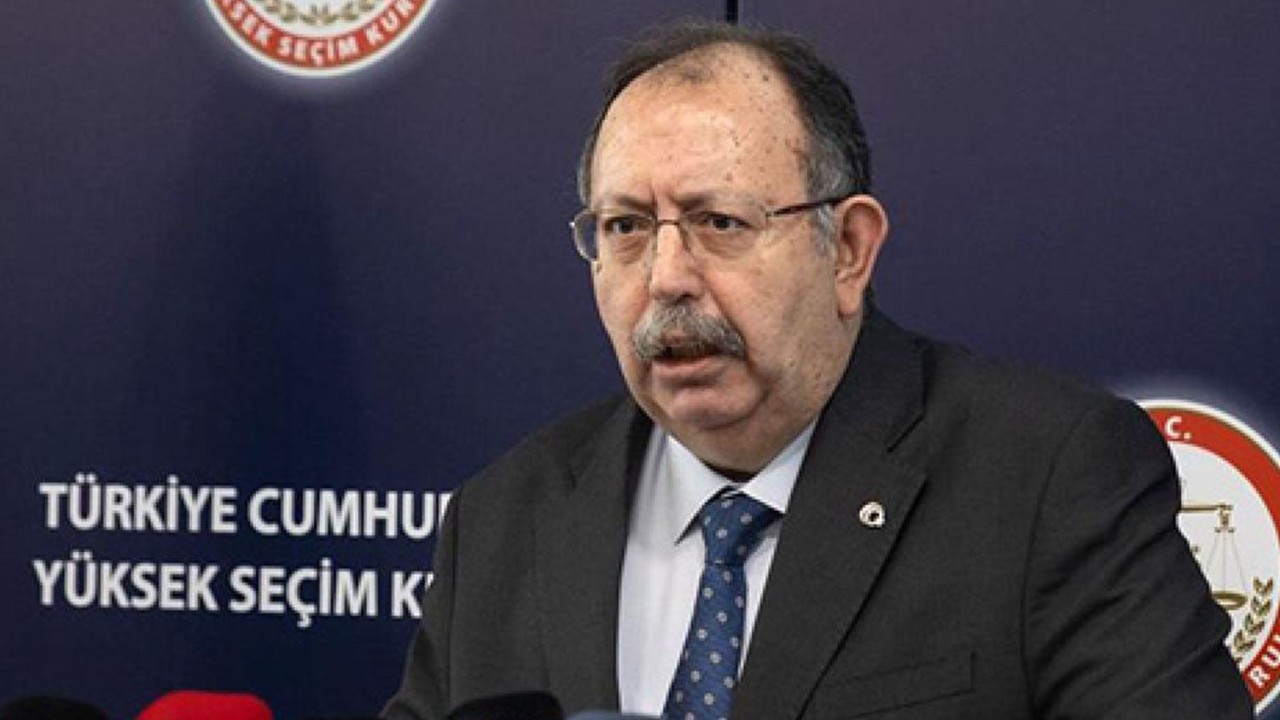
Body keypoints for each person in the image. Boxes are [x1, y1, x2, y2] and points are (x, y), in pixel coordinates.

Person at [384, 19, 1253, 720]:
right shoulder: (506, 519)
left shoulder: (1049, 482)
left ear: (849, 250)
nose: (666, 276)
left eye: (720, 222)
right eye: (625, 228)